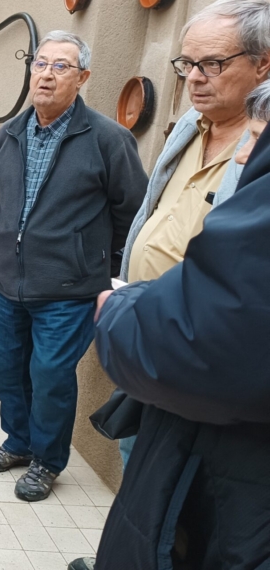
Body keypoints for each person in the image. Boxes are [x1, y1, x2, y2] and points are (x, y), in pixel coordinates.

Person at [66, 79, 270, 570]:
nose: (244, 152)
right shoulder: (187, 131)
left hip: (206, 416)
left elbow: (206, 342)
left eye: (256, 135)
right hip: (186, 397)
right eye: (189, 62)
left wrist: (119, 309)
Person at [0, 31, 147, 502]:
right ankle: (18, 442)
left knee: (50, 375)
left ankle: (47, 461)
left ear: (83, 78)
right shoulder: (8, 135)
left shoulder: (109, 140)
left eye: (60, 66)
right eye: (40, 63)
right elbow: (1, 197)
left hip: (71, 288)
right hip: (11, 283)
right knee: (6, 370)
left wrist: (104, 271)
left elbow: (131, 213)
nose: (46, 74)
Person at [109, 0, 270, 470]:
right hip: (148, 326)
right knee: (134, 452)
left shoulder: (258, 152)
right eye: (187, 64)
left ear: (263, 64)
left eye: (212, 63)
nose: (194, 77)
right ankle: (126, 547)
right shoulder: (187, 127)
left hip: (202, 350)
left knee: (179, 475)